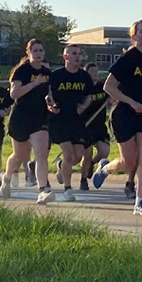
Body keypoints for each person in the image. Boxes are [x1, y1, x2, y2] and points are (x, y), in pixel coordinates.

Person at [100, 20, 142, 217]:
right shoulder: (127, 59)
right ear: (134, 37)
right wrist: (130, 102)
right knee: (130, 162)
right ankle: (106, 168)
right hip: (124, 113)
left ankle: (140, 201)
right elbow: (108, 86)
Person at [4, 39, 53, 201]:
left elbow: (48, 94)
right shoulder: (21, 71)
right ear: (29, 53)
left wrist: (51, 103)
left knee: (41, 153)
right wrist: (34, 83)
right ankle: (7, 177)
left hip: (39, 117)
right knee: (19, 155)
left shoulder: (47, 73)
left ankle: (43, 189)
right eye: (36, 51)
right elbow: (14, 94)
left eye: (41, 50)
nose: (39, 53)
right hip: (20, 118)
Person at [48, 44, 94, 202]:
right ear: (65, 57)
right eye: (74, 54)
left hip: (78, 121)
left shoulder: (84, 77)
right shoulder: (57, 75)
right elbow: (48, 95)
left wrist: (84, 105)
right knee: (68, 154)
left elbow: (89, 96)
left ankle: (61, 166)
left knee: (77, 156)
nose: (77, 56)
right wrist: (51, 104)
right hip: (60, 120)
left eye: (79, 54)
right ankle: (67, 189)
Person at [78, 63, 111, 190]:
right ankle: (83, 179)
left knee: (104, 152)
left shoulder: (102, 86)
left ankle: (92, 164)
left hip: (99, 125)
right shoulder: (83, 89)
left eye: (97, 71)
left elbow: (111, 97)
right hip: (86, 125)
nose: (96, 74)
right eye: (92, 72)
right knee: (87, 154)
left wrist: (111, 100)